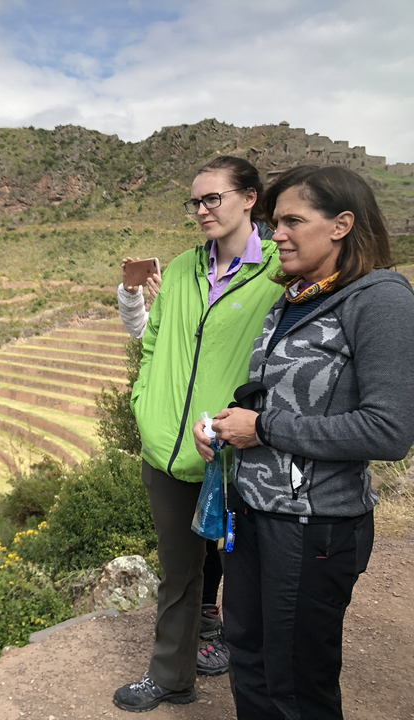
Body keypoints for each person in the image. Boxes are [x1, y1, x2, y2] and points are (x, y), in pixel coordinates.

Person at [193, 165, 414, 719]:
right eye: (273, 222)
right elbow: (285, 403)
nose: (278, 234)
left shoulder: (380, 300)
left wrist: (261, 428)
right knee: (249, 658)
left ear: (342, 225)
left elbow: (390, 430)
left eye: (292, 220)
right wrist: (229, 429)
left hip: (313, 527)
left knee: (297, 684)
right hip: (253, 516)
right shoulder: (291, 300)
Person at [113, 156, 283, 713]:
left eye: (214, 198)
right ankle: (172, 677)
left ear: (249, 198)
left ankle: (267, 691)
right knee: (180, 576)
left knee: (253, 575)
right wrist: (145, 405)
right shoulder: (185, 267)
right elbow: (154, 341)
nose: (202, 210)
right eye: (196, 201)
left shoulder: (282, 268)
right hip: (167, 449)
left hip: (240, 451)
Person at [118, 259, 229, 676]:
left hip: (219, 439)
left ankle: (214, 627)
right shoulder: (180, 290)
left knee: (223, 539)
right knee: (197, 538)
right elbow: (146, 333)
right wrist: (131, 295)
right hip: (175, 443)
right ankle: (201, 629)